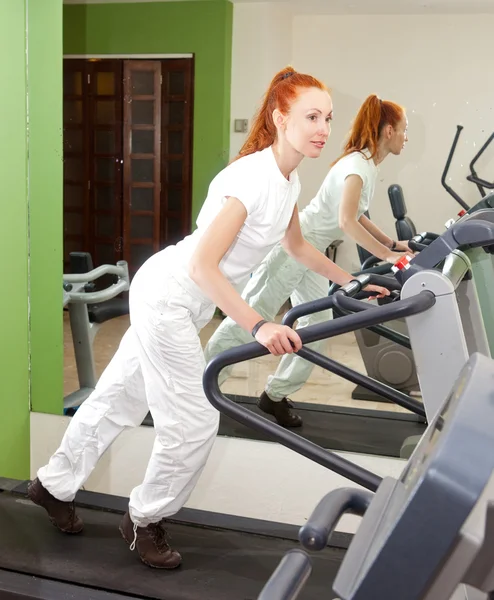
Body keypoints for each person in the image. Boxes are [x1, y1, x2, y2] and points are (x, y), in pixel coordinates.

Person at [27, 67, 389, 569]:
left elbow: (298, 246)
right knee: (195, 421)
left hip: (184, 297)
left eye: (327, 117)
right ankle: (145, 518)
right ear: (279, 117)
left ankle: (51, 486)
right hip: (170, 293)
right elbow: (202, 264)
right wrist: (259, 325)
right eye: (311, 116)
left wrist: (347, 281)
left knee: (120, 398)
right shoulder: (251, 179)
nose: (323, 127)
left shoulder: (288, 178)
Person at [204, 94, 409, 428]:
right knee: (252, 317)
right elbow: (347, 222)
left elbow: (358, 214)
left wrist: (391, 243)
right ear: (388, 131)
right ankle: (200, 386)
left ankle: (274, 396)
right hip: (294, 250)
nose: (405, 137)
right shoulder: (356, 167)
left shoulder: (366, 166)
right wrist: (385, 254)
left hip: (311, 253)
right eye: (403, 130)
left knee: (316, 327)